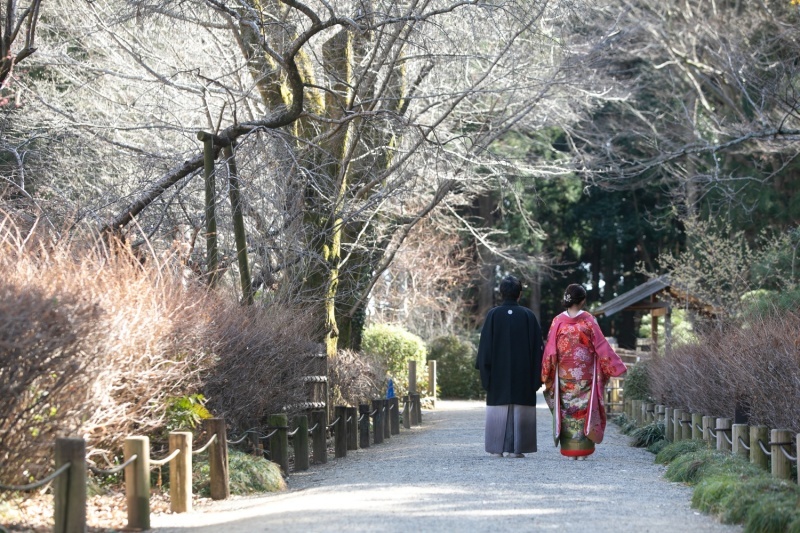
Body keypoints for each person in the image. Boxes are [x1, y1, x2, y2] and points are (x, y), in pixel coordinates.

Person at [541, 283, 627, 460]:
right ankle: (583, 451)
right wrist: (616, 367)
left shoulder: (558, 321)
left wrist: (546, 371)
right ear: (583, 301)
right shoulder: (588, 320)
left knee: (567, 412)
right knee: (585, 410)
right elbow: (601, 346)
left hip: (564, 375)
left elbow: (550, 349)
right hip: (585, 374)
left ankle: (570, 450)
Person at [475, 275, 544, 458]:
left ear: (501, 293)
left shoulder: (493, 315)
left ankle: (497, 448)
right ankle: (518, 448)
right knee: (521, 408)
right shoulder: (529, 316)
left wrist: (485, 372)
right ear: (519, 294)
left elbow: (485, 348)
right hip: (524, 374)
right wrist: (537, 377)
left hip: (498, 374)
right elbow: (538, 350)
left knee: (498, 408)